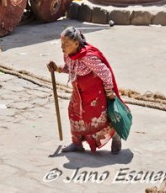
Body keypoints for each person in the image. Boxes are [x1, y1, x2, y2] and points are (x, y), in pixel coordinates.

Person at [47, 27, 123, 155]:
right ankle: (77, 144)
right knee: (74, 113)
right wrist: (57, 68)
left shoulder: (87, 56)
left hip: (95, 94)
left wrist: (109, 91)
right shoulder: (68, 54)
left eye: (66, 44)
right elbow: (70, 68)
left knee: (99, 118)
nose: (62, 47)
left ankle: (115, 136)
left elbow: (105, 72)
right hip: (78, 92)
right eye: (62, 44)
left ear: (76, 44)